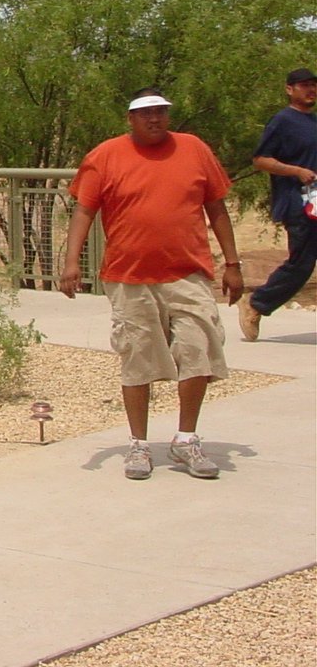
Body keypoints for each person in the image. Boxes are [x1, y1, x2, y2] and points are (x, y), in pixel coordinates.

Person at [59, 90, 243, 481]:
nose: (155, 119)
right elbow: (85, 209)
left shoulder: (194, 149)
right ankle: (139, 445)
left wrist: (232, 263)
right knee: (138, 357)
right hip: (129, 276)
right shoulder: (106, 156)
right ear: (130, 119)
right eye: (146, 114)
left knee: (199, 349)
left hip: (188, 272)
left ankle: (186, 438)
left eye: (161, 112)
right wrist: (71, 262)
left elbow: (217, 206)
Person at [240, 66, 317, 340]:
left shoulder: (314, 122)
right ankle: (256, 303)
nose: (310, 90)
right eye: (303, 85)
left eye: (313, 85)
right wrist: (296, 171)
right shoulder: (282, 121)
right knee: (301, 264)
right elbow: (261, 160)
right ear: (289, 89)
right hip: (298, 205)